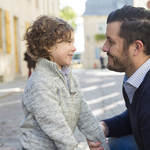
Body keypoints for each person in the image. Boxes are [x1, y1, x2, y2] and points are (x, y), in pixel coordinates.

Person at [19, 15, 109, 150]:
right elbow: (56, 127)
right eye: (68, 42)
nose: (74, 48)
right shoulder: (40, 82)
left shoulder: (69, 77)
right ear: (49, 46)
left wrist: (99, 141)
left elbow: (83, 113)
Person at [88, 5, 150, 150]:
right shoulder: (134, 77)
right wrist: (105, 126)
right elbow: (137, 116)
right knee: (116, 143)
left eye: (111, 42)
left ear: (136, 48)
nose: (104, 47)